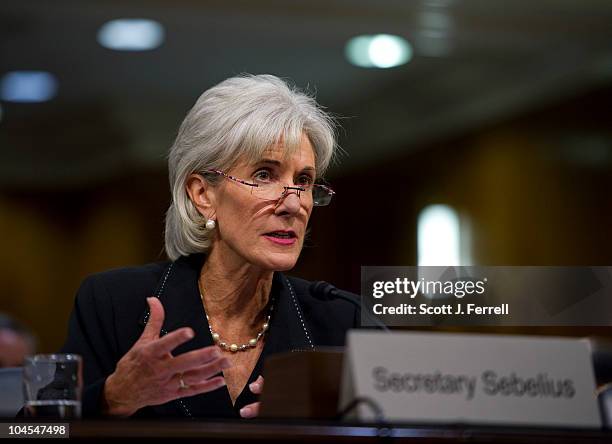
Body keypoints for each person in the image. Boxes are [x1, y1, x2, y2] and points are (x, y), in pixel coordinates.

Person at [59, 74, 359, 419]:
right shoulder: (112, 303)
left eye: (303, 180)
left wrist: (344, 424)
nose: (293, 204)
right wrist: (112, 398)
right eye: (264, 174)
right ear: (203, 195)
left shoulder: (340, 320)